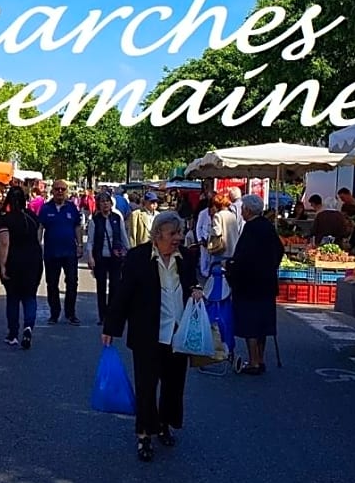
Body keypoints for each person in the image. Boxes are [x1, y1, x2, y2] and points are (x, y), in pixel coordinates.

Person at [101, 211, 203, 462]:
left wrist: (197, 290)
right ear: (157, 235)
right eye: (173, 234)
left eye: (179, 232)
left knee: (173, 385)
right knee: (147, 386)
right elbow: (123, 294)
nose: (178, 238)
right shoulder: (138, 258)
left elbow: (193, 282)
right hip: (148, 334)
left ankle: (164, 425)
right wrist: (111, 327)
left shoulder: (186, 257)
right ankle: (144, 434)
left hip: (177, 334)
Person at [225, 194, 284, 376]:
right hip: (266, 283)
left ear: (248, 210)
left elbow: (242, 257)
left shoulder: (251, 228)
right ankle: (261, 358)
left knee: (250, 323)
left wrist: (230, 269)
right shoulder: (267, 226)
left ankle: (254, 361)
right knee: (263, 323)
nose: (241, 211)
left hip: (249, 285)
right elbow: (279, 250)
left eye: (243, 208)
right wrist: (270, 267)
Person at [0, 186, 43, 349]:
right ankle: (29, 326)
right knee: (30, 296)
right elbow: (37, 239)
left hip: (14, 261)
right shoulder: (32, 217)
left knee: (13, 297)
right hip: (33, 260)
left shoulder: (5, 219)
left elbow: (4, 244)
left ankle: (13, 333)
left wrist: (2, 266)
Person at [38, 179, 83, 324]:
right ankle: (54, 313)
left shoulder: (72, 208)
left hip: (69, 252)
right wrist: (38, 244)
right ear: (52, 191)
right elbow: (40, 227)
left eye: (63, 189)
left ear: (66, 192)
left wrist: (80, 244)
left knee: (72, 282)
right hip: (51, 253)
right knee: (52, 283)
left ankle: (70, 313)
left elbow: (77, 227)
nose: (60, 192)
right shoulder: (45, 208)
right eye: (57, 189)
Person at [86, 192, 129, 326]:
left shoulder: (117, 218)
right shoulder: (95, 220)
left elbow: (123, 236)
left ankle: (111, 313)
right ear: (98, 204)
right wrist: (91, 257)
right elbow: (91, 241)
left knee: (115, 286)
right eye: (102, 202)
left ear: (111, 203)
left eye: (107, 201)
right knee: (101, 286)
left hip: (116, 256)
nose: (105, 204)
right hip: (100, 257)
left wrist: (129, 251)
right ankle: (102, 315)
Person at [195, 193, 240, 281]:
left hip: (221, 250)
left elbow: (217, 231)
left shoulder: (218, 216)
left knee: (217, 275)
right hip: (232, 249)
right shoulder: (232, 215)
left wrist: (210, 232)